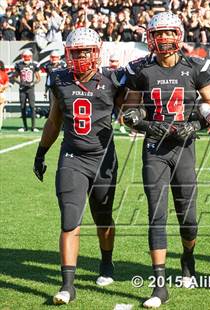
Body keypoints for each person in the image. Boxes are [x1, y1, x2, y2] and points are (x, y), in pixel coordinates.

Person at [122, 11, 210, 308]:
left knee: (189, 220)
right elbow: (128, 113)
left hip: (184, 148)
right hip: (155, 148)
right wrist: (145, 124)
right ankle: (159, 285)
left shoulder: (195, 67)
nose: (164, 39)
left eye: (169, 33)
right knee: (157, 214)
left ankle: (188, 258)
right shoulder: (141, 70)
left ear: (178, 35)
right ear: (150, 37)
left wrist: (198, 123)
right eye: (159, 33)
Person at [32, 28, 126, 305]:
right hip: (72, 157)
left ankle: (106, 263)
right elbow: (53, 121)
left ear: (96, 52)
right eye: (76, 51)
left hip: (103, 159)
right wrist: (41, 152)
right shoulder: (59, 79)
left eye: (86, 51)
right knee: (70, 219)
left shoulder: (111, 79)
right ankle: (67, 284)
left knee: (103, 216)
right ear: (68, 53)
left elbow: (129, 111)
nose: (82, 56)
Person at [13, 49, 41, 132]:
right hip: (22, 89)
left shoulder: (34, 65)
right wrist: (20, 83)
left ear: (31, 56)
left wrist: (33, 83)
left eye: (28, 56)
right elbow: (15, 77)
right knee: (22, 107)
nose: (27, 58)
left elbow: (38, 78)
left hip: (30, 89)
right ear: (22, 56)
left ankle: (33, 127)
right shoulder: (19, 64)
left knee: (32, 107)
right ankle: (25, 127)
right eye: (25, 56)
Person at [0, 60, 9, 130]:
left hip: (1, 93)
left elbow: (7, 84)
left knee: (0, 111)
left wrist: (2, 88)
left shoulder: (3, 73)